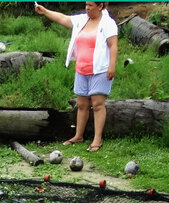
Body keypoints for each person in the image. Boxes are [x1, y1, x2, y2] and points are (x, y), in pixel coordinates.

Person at [34, 2, 118, 152]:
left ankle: (97, 139)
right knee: (82, 105)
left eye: (90, 5)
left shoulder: (108, 23)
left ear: (100, 6)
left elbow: (113, 45)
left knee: (97, 105)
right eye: (86, 5)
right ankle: (78, 135)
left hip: (99, 70)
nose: (87, 8)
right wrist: (45, 11)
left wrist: (112, 66)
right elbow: (63, 18)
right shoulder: (82, 19)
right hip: (81, 69)